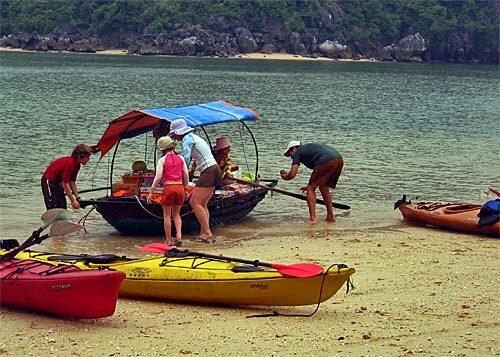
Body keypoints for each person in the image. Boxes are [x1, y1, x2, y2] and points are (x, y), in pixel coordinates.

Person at [169, 119, 222, 242]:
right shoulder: (193, 137)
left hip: (208, 170)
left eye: (174, 135)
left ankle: (207, 232)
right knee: (203, 204)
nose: (175, 138)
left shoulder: (187, 139)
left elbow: (186, 159)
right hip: (213, 168)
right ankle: (204, 232)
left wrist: (181, 173)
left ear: (178, 132)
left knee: (194, 202)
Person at [280, 141, 344, 224]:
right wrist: (312, 185)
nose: (291, 157)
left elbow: (292, 175)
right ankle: (330, 217)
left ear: (294, 148)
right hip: (338, 159)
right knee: (324, 187)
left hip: (326, 160)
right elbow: (319, 177)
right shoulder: (308, 149)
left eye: (290, 153)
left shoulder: (298, 152)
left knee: (311, 188)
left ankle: (313, 219)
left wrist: (285, 176)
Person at [147, 136, 189, 246]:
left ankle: (169, 240)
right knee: (177, 214)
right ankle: (179, 236)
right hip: (180, 187)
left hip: (168, 188)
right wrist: (186, 188)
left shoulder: (162, 160)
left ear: (162, 149)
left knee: (167, 216)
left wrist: (151, 191)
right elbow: (186, 174)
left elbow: (158, 177)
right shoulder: (181, 158)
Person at [41, 144, 94, 210]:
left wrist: (77, 197)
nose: (89, 159)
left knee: (62, 205)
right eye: (87, 157)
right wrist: (72, 201)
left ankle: (61, 217)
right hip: (49, 180)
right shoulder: (70, 162)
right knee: (53, 204)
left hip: (58, 182)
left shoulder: (77, 165)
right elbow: (65, 183)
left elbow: (71, 181)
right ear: (79, 157)